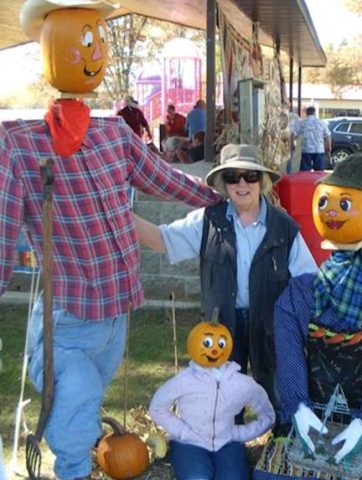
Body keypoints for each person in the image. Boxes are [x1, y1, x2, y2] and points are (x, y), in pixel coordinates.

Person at [0, 2, 222, 479]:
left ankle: (72, 457)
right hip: (66, 318)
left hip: (118, 311)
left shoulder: (114, 134)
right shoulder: (20, 143)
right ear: (50, 49)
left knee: (84, 404)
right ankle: (73, 470)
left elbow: (162, 179)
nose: (94, 50)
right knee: (76, 404)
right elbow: (2, 230)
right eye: (83, 40)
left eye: (98, 37)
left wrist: (216, 199)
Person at [254, 153, 362, 480]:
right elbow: (289, 359)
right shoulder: (297, 295)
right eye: (324, 203)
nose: (333, 211)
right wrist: (299, 411)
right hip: (309, 416)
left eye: (344, 204)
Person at [134, 144, 318, 415]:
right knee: (222, 405)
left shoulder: (284, 228)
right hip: (221, 326)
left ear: (262, 181)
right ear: (224, 183)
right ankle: (230, 451)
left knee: (280, 397)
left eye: (250, 176)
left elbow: (307, 281)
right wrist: (118, 213)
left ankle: (282, 449)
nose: (242, 183)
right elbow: (162, 240)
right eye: (233, 176)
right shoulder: (208, 221)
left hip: (270, 324)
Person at [149, 313, 275, 480]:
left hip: (227, 442)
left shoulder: (242, 383)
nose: (214, 349)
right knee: (198, 477)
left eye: (220, 343)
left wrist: (240, 433)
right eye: (207, 343)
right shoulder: (184, 380)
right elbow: (157, 407)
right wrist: (183, 432)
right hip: (189, 443)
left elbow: (268, 414)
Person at [297, 106, 331, 172]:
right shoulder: (321, 122)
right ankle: (317, 182)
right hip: (319, 149)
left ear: (307, 113)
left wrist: (291, 143)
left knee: (304, 172)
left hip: (306, 150)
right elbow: (328, 136)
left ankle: (305, 182)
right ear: (314, 113)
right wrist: (329, 147)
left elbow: (295, 134)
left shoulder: (303, 123)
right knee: (319, 172)